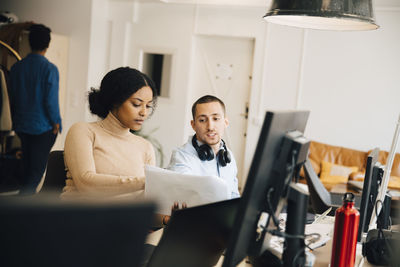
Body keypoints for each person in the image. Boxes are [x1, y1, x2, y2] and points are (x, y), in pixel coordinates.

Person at [61, 67, 157, 199]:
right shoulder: (83, 131)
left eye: (148, 106)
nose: (143, 113)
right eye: (136, 104)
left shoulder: (145, 147)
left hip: (127, 218)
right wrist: (145, 182)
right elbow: (86, 184)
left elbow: (148, 197)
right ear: (115, 101)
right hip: (82, 215)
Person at [9, 24, 62, 195]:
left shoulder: (17, 68)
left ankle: (18, 209)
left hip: (21, 125)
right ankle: (21, 212)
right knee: (35, 173)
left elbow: (12, 97)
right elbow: (50, 101)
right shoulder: (50, 69)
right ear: (48, 45)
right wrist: (56, 123)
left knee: (27, 170)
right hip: (43, 128)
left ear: (30, 43)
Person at [167, 95, 240, 199]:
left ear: (225, 122)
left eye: (216, 118)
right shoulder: (181, 157)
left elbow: (234, 196)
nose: (210, 127)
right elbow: (185, 198)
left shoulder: (228, 156)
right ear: (193, 125)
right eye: (202, 120)